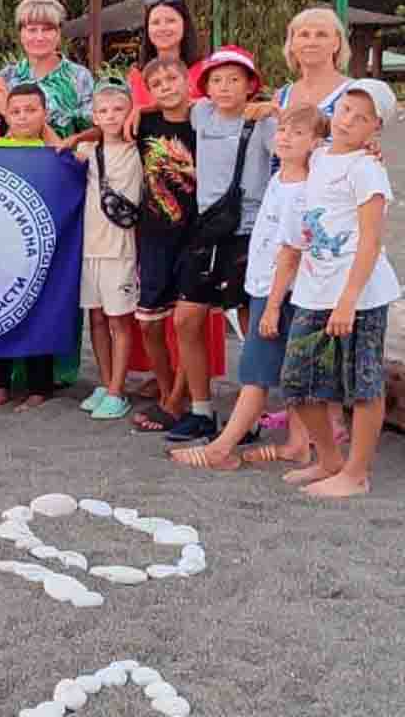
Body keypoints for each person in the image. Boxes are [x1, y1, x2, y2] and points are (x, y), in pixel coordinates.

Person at [172, 104, 325, 471]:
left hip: (280, 293)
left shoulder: (304, 190)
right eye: (283, 130)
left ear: (317, 143)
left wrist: (272, 305)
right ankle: (298, 444)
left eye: (297, 133)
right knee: (288, 368)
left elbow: (290, 254)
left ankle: (222, 448)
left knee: (255, 372)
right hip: (262, 284)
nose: (285, 137)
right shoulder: (279, 179)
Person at [270, 79, 401, 498]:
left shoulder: (368, 169)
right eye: (345, 110)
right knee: (297, 378)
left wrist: (348, 300)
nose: (348, 121)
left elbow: (371, 239)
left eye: (361, 118)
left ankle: (356, 473)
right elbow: (288, 134)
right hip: (313, 286)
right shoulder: (321, 155)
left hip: (359, 293)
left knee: (362, 383)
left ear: (374, 128)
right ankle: (328, 458)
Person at [162, 45, 275, 442]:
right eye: (216, 79)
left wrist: (276, 109)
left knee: (247, 325)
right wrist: (129, 113)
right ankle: (201, 410)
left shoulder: (264, 124)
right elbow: (167, 103)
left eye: (234, 79)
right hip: (207, 229)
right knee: (186, 319)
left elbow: (300, 143)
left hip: (247, 231)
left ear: (250, 86)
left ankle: (251, 416)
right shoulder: (201, 114)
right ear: (205, 86)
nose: (225, 87)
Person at [125, 55, 198, 434]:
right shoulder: (144, 122)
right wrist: (73, 138)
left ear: (188, 81)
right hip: (154, 233)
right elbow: (104, 131)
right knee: (150, 321)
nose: (167, 86)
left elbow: (245, 111)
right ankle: (169, 388)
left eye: (173, 79)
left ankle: (176, 400)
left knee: (189, 321)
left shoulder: (205, 120)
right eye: (158, 83)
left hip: (197, 235)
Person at [0, 84, 60, 410]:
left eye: (31, 110)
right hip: (2, 246)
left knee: (38, 312)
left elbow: (73, 160)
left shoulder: (52, 150)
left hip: (40, 246)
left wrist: (50, 135)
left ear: (45, 114)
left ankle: (39, 385)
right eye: (15, 111)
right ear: (5, 115)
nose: (23, 117)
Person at [71, 81, 142, 421]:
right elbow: (59, 152)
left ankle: (118, 390)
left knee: (119, 320)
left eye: (118, 110)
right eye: (104, 111)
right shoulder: (89, 151)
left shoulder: (138, 148)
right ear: (94, 115)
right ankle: (105, 382)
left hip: (121, 250)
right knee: (96, 318)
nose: (111, 116)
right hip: (91, 248)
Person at [0, 0, 94, 139]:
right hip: (14, 159)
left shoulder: (79, 77)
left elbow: (95, 129)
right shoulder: (6, 77)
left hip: (64, 159)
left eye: (47, 29)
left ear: (59, 33)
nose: (39, 37)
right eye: (32, 30)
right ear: (21, 34)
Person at [127, 0, 206, 110]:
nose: (162, 28)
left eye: (170, 21)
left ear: (185, 24)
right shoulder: (137, 75)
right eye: (155, 22)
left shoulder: (205, 70)